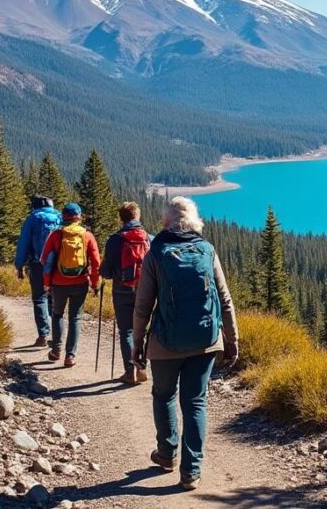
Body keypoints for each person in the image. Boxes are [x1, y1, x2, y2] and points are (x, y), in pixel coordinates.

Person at [133, 196, 238, 491]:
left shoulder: (157, 253)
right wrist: (231, 339)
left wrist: (137, 344)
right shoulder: (206, 250)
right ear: (194, 222)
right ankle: (190, 471)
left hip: (165, 343)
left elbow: (143, 306)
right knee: (195, 402)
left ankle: (167, 454)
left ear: (166, 222)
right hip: (205, 341)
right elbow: (225, 299)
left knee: (164, 395)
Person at [41, 202, 101, 367]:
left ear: (64, 216)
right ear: (78, 217)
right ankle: (70, 356)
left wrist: (47, 283)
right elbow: (96, 263)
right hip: (80, 282)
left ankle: (56, 350)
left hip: (58, 283)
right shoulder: (87, 236)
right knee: (75, 318)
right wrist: (95, 284)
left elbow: (45, 260)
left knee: (58, 314)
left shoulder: (56, 235)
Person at [99, 201, 153, 385]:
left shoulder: (115, 239)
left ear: (121, 218)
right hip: (145, 291)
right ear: (137, 216)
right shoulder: (149, 239)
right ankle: (142, 368)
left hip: (122, 290)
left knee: (126, 332)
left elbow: (105, 271)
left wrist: (110, 273)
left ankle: (130, 372)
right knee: (142, 330)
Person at [14, 195, 63, 346]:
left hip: (38, 264)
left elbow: (24, 242)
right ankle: (57, 337)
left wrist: (19, 264)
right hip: (59, 265)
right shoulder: (60, 217)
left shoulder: (32, 219)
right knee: (54, 299)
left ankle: (43, 335)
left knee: (39, 298)